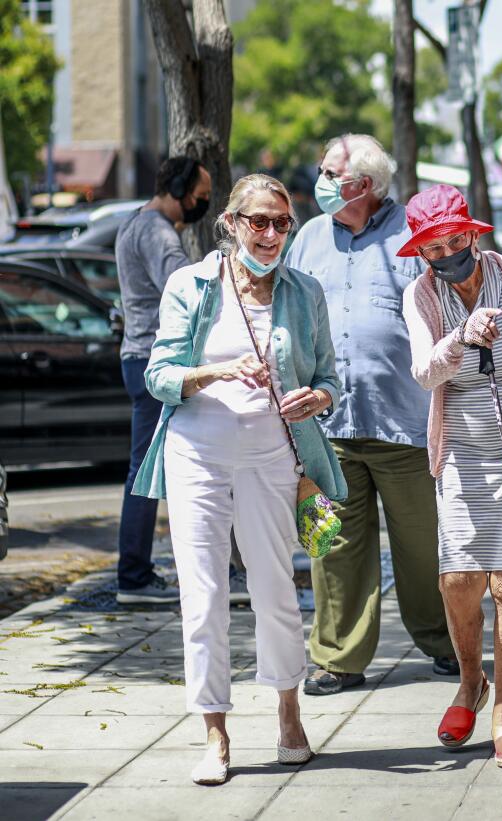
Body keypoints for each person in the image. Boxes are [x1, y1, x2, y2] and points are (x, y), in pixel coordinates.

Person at [132, 174, 347, 785]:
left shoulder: (305, 293)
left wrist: (319, 398)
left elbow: (331, 376)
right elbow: (160, 375)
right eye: (260, 221)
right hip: (197, 454)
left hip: (273, 455)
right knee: (201, 597)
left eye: (283, 222)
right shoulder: (191, 284)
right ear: (230, 223)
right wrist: (220, 371)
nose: (273, 233)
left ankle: (288, 714)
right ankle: (215, 733)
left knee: (277, 589)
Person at [401, 184, 502, 770]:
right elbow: (424, 371)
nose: (447, 255)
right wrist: (460, 338)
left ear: (474, 234)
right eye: (433, 247)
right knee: (457, 578)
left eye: (455, 241)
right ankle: (470, 681)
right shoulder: (421, 296)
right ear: (421, 253)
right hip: (464, 448)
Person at [285, 134, 457, 694]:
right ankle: (337, 657)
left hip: (404, 423)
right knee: (330, 545)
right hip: (324, 428)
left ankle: (448, 642)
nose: (322, 180)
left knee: (424, 546)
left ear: (366, 185)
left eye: (332, 173)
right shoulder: (307, 238)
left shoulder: (413, 236)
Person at [113, 156, 246, 605]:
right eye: (201, 196)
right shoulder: (156, 232)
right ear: (178, 188)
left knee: (147, 468)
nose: (202, 205)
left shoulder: (133, 222)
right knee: (168, 469)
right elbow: (186, 290)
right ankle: (135, 575)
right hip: (160, 365)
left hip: (137, 357)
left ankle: (139, 570)